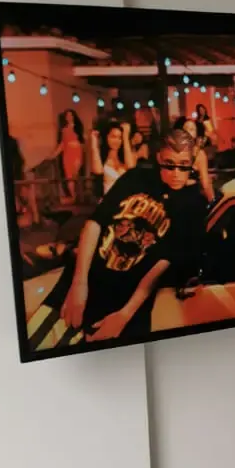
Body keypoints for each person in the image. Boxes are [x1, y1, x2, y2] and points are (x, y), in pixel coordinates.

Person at [54, 127, 208, 344]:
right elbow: (96, 222)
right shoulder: (136, 177)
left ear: (192, 162)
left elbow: (164, 261)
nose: (176, 173)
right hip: (84, 279)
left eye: (183, 166)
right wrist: (79, 283)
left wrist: (125, 314)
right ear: (159, 158)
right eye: (169, 164)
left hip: (124, 298)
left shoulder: (193, 203)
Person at [90, 119, 135, 195]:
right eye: (113, 137)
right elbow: (98, 171)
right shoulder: (102, 157)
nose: (117, 140)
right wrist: (94, 142)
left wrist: (125, 136)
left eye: (120, 137)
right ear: (106, 137)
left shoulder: (125, 158)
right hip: (109, 199)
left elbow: (131, 167)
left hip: (125, 199)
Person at [177, 115, 215, 203]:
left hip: (191, 198)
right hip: (177, 197)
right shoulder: (175, 151)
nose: (187, 131)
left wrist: (213, 203)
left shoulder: (199, 154)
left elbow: (205, 183)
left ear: (196, 134)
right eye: (185, 128)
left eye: (191, 129)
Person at [52, 109, 85, 203]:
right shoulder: (64, 130)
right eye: (67, 115)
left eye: (71, 115)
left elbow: (82, 143)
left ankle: (79, 197)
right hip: (67, 155)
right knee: (69, 176)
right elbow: (62, 144)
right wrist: (54, 154)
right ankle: (73, 197)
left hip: (77, 154)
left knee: (76, 175)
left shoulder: (78, 128)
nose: (69, 117)